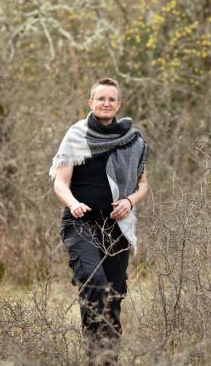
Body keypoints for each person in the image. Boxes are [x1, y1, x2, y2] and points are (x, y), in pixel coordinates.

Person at [49, 78, 148, 365]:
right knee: (94, 284)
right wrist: (73, 203)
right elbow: (60, 182)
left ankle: (108, 361)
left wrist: (130, 201)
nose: (106, 103)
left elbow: (143, 186)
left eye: (111, 99)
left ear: (119, 104)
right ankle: (94, 357)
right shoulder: (76, 136)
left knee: (113, 297)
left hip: (117, 228)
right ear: (90, 102)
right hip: (81, 225)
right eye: (100, 98)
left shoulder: (133, 140)